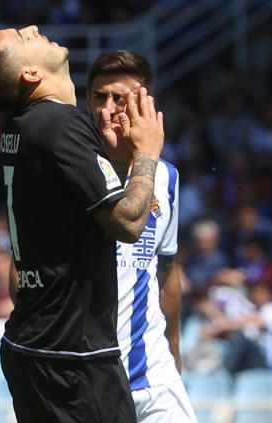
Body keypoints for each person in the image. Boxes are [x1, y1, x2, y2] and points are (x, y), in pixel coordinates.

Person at [0, 24, 164, 423]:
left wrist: (116, 162)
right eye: (23, 38)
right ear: (30, 74)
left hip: (30, 345)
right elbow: (127, 222)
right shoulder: (62, 126)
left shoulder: (20, 129)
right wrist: (147, 154)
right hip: (73, 356)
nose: (33, 28)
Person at [87, 50, 196, 422]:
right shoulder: (69, 172)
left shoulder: (166, 178)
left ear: (145, 104)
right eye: (99, 97)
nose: (109, 108)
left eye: (121, 98)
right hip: (87, 377)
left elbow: (166, 270)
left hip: (154, 372)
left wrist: (174, 347)